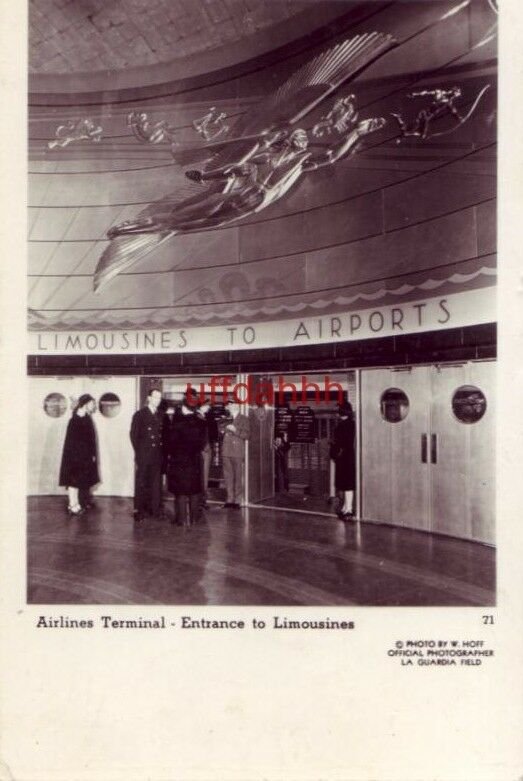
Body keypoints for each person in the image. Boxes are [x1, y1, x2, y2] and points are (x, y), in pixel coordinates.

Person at [166, 391, 206, 527]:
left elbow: (170, 442)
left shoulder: (177, 422)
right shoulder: (200, 420)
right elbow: (203, 442)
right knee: (194, 491)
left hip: (179, 461)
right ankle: (194, 518)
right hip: (194, 460)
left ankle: (181, 520)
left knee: (180, 492)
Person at [58, 394, 99, 515]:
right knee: (73, 482)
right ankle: (72, 505)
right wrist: (76, 458)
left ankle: (78, 504)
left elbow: (91, 439)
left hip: (84, 457)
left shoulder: (87, 418)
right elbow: (71, 443)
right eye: (92, 404)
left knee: (80, 481)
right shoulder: (74, 420)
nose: (94, 406)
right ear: (85, 404)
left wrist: (92, 455)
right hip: (74, 458)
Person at [130, 387, 163, 523]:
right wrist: (139, 452)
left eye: (159, 398)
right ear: (149, 398)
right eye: (155, 397)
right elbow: (133, 435)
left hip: (156, 455)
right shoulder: (140, 414)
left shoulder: (160, 415)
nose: (158, 400)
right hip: (144, 454)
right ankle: (139, 510)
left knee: (155, 483)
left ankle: (154, 509)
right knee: (142, 482)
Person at [330, 401, 356, 521]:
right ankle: (347, 507)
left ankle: (348, 509)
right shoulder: (352, 424)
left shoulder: (342, 426)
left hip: (343, 457)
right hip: (349, 457)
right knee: (348, 484)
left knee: (346, 484)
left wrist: (334, 452)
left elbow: (338, 442)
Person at [221, 402, 250, 509]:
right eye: (228, 406)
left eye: (231, 406)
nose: (228, 407)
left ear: (236, 407)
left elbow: (247, 435)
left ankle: (237, 500)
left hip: (237, 451)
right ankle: (229, 499)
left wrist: (235, 430)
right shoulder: (226, 418)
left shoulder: (244, 419)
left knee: (238, 476)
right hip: (226, 451)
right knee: (228, 477)